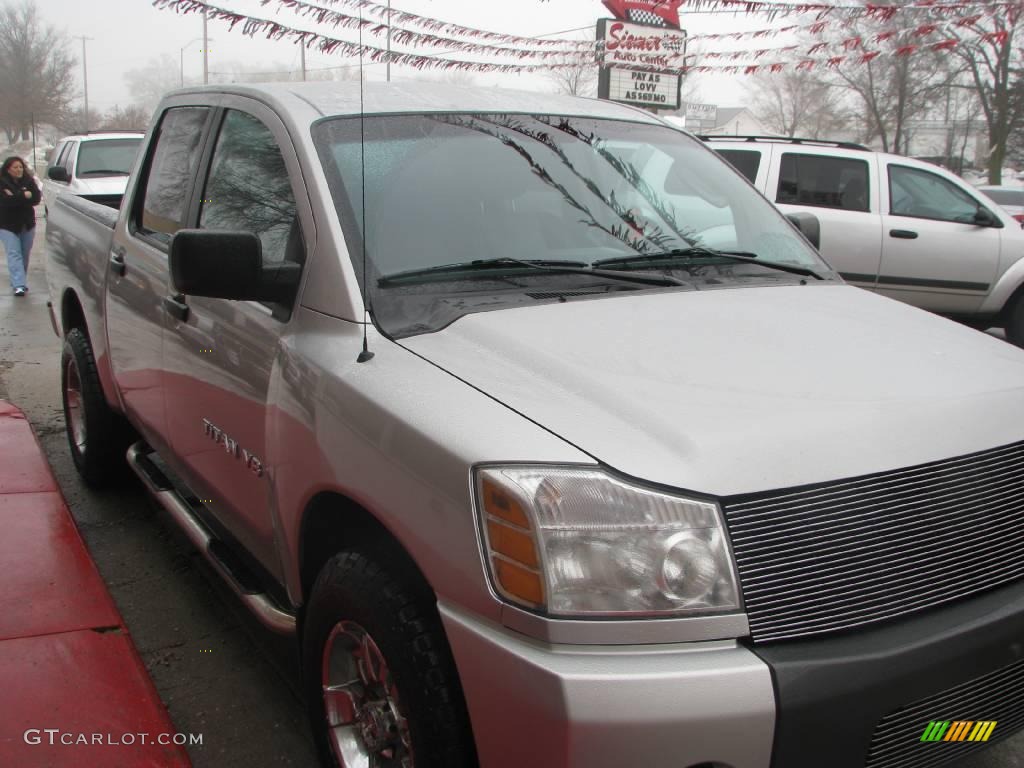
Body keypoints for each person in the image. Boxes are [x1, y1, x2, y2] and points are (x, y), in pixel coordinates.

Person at [0, 156, 41, 296]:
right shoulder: (2, 183)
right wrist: (24, 196)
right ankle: (19, 285)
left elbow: (36, 198)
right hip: (7, 225)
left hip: (27, 224)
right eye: (15, 167)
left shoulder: (29, 181)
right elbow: (5, 202)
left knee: (24, 254)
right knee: (14, 254)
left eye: (20, 167)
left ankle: (19, 279)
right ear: (8, 169)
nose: (19, 170)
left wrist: (16, 196)